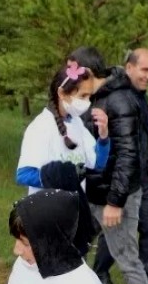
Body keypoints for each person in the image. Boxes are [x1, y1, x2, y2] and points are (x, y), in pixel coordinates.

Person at [86, 48, 148, 284]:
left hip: (125, 187)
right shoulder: (116, 96)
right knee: (114, 247)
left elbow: (136, 143)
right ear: (129, 67)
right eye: (145, 70)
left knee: (132, 248)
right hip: (107, 188)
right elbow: (121, 149)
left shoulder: (130, 97)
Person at [15, 63, 108, 195]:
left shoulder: (77, 123)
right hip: (49, 210)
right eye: (82, 96)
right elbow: (24, 174)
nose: (87, 102)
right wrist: (62, 177)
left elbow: (98, 163)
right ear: (62, 93)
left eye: (89, 97)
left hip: (74, 207)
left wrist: (103, 136)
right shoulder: (41, 127)